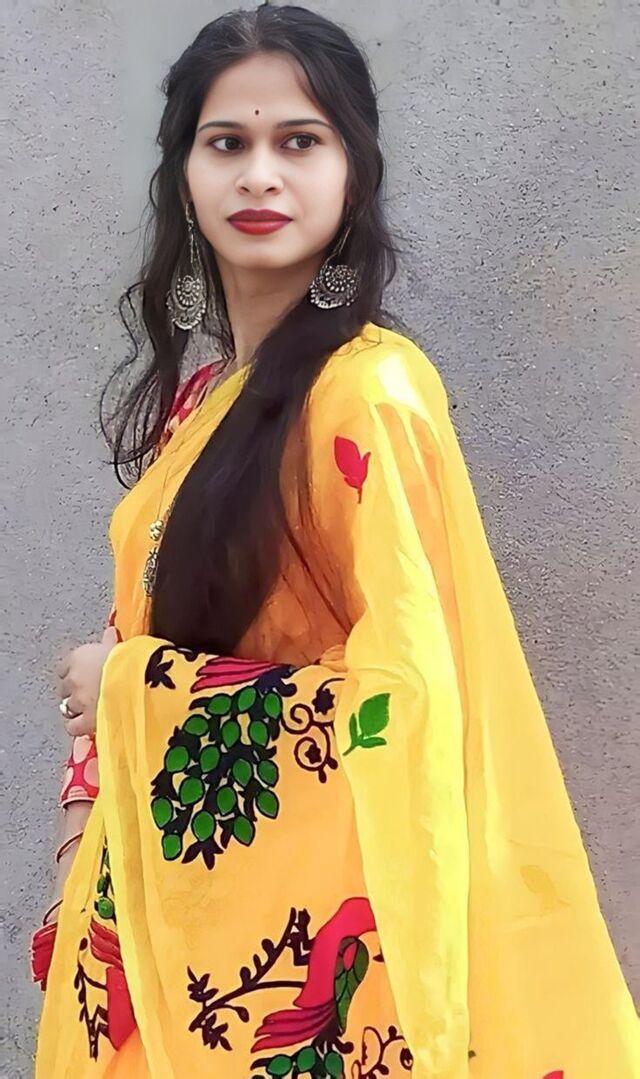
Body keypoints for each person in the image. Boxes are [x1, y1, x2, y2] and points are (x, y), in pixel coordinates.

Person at [33, 6, 639, 1078]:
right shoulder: (202, 406)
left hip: (295, 980)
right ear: (184, 176)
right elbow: (134, 627)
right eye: (227, 143)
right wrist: (85, 835)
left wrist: (127, 688)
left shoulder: (369, 395)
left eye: (299, 142)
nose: (260, 174)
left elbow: (404, 706)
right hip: (142, 952)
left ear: (352, 175)